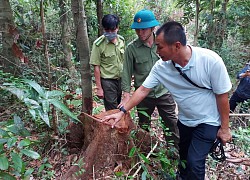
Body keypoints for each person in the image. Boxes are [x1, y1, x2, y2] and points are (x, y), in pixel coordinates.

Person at [103, 21, 232, 179]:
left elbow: (222, 96)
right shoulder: (161, 67)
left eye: (160, 47)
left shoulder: (210, 61)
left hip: (208, 121)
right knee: (184, 158)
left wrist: (224, 128)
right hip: (185, 121)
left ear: (177, 46)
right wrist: (122, 111)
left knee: (194, 162)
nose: (157, 51)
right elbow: (143, 90)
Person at [120, 9, 179, 147]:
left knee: (171, 123)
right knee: (143, 125)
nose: (140, 33)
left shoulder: (164, 44)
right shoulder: (132, 48)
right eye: (137, 30)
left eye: (144, 29)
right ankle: (145, 151)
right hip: (143, 95)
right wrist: (126, 95)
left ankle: (175, 152)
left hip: (164, 91)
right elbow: (126, 72)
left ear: (152, 28)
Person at [90, 14, 125, 111]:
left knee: (118, 105)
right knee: (111, 109)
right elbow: (96, 66)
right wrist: (99, 88)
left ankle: (117, 125)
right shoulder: (98, 44)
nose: (110, 33)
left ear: (117, 28)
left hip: (120, 80)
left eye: (112, 30)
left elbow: (124, 61)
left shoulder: (121, 41)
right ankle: (113, 126)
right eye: (107, 30)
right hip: (108, 81)